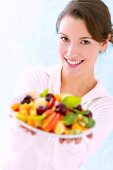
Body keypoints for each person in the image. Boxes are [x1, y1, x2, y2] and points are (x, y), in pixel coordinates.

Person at [4, 0, 113, 170]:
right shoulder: (36, 78)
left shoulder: (104, 107)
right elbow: (14, 145)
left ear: (104, 43)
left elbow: (66, 165)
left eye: (85, 41)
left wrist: (69, 139)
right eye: (65, 38)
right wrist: (24, 124)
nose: (71, 53)